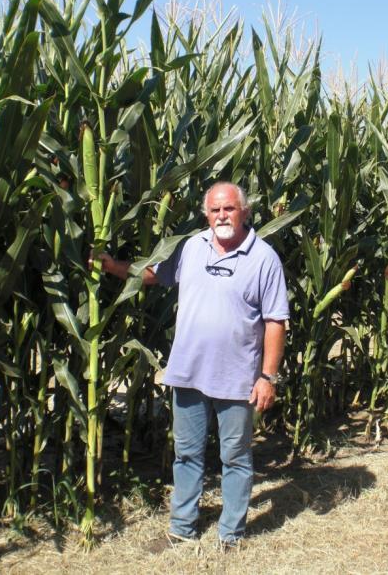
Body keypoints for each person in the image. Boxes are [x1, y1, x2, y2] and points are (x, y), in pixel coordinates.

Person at [95, 182, 289, 547]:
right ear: (206, 214)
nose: (222, 216)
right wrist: (112, 267)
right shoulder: (191, 247)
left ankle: (230, 535)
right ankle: (182, 529)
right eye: (215, 210)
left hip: (237, 379)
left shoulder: (263, 258)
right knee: (186, 454)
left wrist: (267, 376)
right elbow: (152, 274)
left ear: (245, 212)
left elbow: (276, 321)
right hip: (187, 374)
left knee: (235, 457)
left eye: (229, 209)